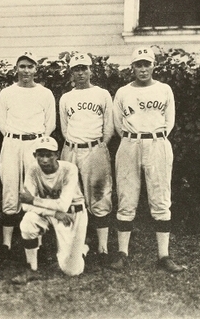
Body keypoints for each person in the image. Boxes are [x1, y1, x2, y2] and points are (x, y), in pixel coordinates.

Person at [110, 47, 184, 273]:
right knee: (126, 198)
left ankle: (164, 255)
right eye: (138, 64)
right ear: (132, 67)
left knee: (161, 199)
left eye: (146, 64)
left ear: (153, 65)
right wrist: (135, 139)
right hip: (130, 143)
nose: (142, 69)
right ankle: (123, 253)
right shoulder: (123, 92)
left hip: (157, 143)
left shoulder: (164, 89)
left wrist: (153, 138)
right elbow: (117, 123)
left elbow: (169, 121)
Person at [0, 51, 56, 260]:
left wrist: (38, 144)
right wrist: (16, 138)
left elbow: (50, 124)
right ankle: (6, 245)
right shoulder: (7, 93)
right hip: (12, 143)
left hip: (36, 144)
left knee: (36, 191)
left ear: (36, 69)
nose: (26, 71)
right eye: (22, 66)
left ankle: (37, 243)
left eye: (30, 66)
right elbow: (2, 123)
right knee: (10, 190)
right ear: (16, 69)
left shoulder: (45, 93)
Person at [59, 52, 114, 266]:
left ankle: (102, 249)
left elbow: (109, 126)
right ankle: (77, 247)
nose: (80, 73)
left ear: (91, 70)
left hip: (95, 148)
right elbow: (64, 128)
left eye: (84, 68)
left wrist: (101, 145)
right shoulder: (66, 98)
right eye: (76, 69)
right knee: (72, 198)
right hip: (71, 149)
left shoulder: (102, 94)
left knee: (100, 197)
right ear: (71, 72)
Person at [12, 137, 88, 284]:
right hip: (52, 213)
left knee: (72, 270)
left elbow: (63, 205)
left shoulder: (69, 169)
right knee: (27, 223)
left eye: (49, 155)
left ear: (57, 155)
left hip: (72, 214)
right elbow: (25, 206)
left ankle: (82, 250)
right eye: (40, 155)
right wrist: (53, 213)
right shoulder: (33, 169)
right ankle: (31, 269)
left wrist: (34, 200)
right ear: (35, 156)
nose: (44, 160)